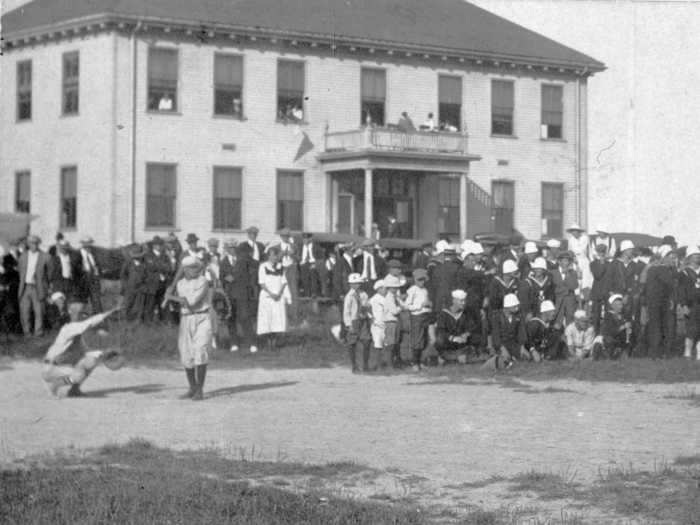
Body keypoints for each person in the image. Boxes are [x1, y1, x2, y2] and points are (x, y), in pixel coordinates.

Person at [41, 305, 121, 398]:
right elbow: (89, 323)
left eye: (82, 312)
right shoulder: (69, 328)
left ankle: (74, 390)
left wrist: (105, 353)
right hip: (51, 369)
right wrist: (110, 312)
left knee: (92, 361)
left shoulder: (77, 336)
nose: (81, 315)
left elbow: (88, 353)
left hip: (60, 367)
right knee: (79, 374)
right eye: (78, 312)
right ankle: (55, 385)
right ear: (70, 313)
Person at [166, 256, 212, 401]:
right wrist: (171, 293)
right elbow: (184, 303)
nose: (194, 270)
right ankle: (192, 387)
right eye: (190, 267)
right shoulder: (180, 283)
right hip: (186, 319)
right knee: (186, 354)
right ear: (184, 269)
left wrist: (171, 297)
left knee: (200, 351)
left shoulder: (203, 281)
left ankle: (200, 389)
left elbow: (190, 302)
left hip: (202, 318)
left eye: (195, 267)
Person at [220, 239, 257, 353]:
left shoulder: (243, 260)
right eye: (230, 248)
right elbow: (222, 277)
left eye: (234, 248)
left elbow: (255, 265)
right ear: (227, 249)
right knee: (231, 318)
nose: (232, 250)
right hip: (230, 294)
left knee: (245, 318)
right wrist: (228, 278)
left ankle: (251, 343)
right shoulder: (224, 261)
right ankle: (234, 343)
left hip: (242, 293)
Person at [643, 246, 678, 358]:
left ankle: (657, 352)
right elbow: (671, 285)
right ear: (664, 258)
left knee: (658, 326)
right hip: (658, 302)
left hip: (659, 301)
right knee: (660, 327)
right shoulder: (662, 269)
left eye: (675, 258)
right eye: (672, 258)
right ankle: (660, 352)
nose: (674, 260)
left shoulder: (655, 269)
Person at [256, 246, 290, 351]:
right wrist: (271, 294)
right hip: (267, 297)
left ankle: (274, 343)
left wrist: (279, 294)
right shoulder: (263, 266)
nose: (275, 258)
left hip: (278, 297)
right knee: (267, 319)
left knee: (277, 320)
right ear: (269, 256)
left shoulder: (281, 267)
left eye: (276, 255)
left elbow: (284, 282)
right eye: (273, 255)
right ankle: (268, 343)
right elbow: (262, 283)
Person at [434, 289, 481, 365]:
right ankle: (444, 356)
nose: (463, 303)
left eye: (464, 301)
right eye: (461, 301)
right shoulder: (444, 314)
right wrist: (453, 338)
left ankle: (455, 357)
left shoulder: (465, 314)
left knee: (475, 337)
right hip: (448, 342)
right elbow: (441, 331)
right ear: (454, 301)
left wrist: (465, 335)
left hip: (461, 343)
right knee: (440, 339)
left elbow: (471, 328)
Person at [18, 235, 51, 337]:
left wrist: (46, 286)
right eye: (31, 243)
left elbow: (49, 273)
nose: (34, 245)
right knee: (25, 311)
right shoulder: (23, 256)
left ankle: (38, 332)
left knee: (39, 311)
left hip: (38, 287)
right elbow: (20, 271)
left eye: (36, 243)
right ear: (28, 244)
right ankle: (27, 332)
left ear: (38, 244)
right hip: (25, 287)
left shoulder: (45, 256)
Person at [404, 268, 432, 370]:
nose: (422, 282)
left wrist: (429, 305)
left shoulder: (425, 290)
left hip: (425, 315)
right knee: (417, 339)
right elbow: (407, 305)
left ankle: (420, 361)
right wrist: (420, 306)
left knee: (424, 339)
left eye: (423, 279)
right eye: (419, 280)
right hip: (416, 315)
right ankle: (414, 362)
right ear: (414, 280)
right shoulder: (412, 290)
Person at [343, 273, 371, 373]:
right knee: (352, 342)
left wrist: (367, 308)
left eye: (358, 283)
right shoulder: (349, 296)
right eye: (353, 284)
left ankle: (365, 365)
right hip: (354, 320)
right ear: (350, 284)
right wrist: (348, 324)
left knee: (367, 341)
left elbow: (367, 305)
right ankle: (354, 365)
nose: (356, 286)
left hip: (363, 319)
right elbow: (346, 311)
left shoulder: (363, 294)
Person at [593, 294, 632, 360]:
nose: (621, 307)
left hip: (621, 339)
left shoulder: (622, 316)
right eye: (619, 305)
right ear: (613, 306)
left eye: (621, 305)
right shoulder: (608, 316)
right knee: (610, 341)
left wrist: (629, 330)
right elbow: (611, 331)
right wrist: (623, 327)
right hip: (610, 339)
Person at [491, 293, 527, 362]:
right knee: (504, 360)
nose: (517, 307)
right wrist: (502, 349)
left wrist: (522, 347)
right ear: (507, 307)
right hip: (501, 346)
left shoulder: (518, 316)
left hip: (514, 345)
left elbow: (521, 333)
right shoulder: (497, 317)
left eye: (517, 305)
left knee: (526, 357)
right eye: (514, 306)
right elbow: (496, 336)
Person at [679, 246, 700, 360]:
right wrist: (684, 304)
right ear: (690, 258)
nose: (697, 258)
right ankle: (687, 352)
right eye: (695, 256)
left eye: (698, 256)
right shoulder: (685, 272)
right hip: (691, 304)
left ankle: (699, 353)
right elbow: (681, 290)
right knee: (691, 329)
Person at [518, 257, 554, 322]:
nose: (537, 270)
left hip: (545, 311)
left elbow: (551, 296)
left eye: (539, 269)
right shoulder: (528, 282)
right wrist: (528, 312)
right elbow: (524, 300)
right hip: (532, 311)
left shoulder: (548, 280)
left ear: (544, 270)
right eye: (535, 269)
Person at [589, 243, 613, 332]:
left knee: (608, 315)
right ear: (597, 252)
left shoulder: (610, 264)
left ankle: (605, 334)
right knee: (596, 316)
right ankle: (595, 334)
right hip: (597, 292)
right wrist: (602, 263)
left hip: (607, 292)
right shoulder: (593, 264)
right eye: (600, 252)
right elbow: (598, 275)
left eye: (603, 252)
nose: (601, 254)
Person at [120, 245, 148, 322]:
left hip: (140, 287)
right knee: (128, 303)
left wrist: (144, 284)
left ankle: (137, 319)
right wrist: (125, 285)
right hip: (130, 287)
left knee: (139, 304)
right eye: (136, 256)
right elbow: (123, 275)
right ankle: (125, 318)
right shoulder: (128, 263)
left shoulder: (144, 264)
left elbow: (146, 275)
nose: (137, 257)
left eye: (139, 256)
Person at [551, 250, 579, 327]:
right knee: (557, 320)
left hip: (570, 299)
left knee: (570, 321)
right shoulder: (553, 272)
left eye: (568, 261)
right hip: (558, 299)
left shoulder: (572, 272)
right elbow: (553, 287)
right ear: (559, 262)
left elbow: (574, 286)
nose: (567, 263)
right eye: (565, 261)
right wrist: (564, 290)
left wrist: (567, 274)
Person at [382, 274, 403, 368]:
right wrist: (400, 308)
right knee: (390, 343)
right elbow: (394, 311)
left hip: (395, 321)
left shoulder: (394, 297)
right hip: (390, 321)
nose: (395, 289)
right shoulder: (389, 297)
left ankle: (394, 362)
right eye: (393, 287)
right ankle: (389, 364)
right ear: (389, 288)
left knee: (395, 342)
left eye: (396, 287)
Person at [566, 224, 592, 295]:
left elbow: (584, 250)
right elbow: (570, 250)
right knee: (576, 279)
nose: (573, 233)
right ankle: (577, 297)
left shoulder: (585, 238)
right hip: (575, 260)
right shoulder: (571, 239)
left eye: (575, 231)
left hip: (584, 260)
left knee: (586, 280)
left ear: (578, 231)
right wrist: (572, 259)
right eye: (572, 231)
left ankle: (586, 297)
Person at [79, 236, 102, 313]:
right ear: (83, 245)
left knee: (96, 300)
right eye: (86, 245)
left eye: (89, 245)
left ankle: (98, 316)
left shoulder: (92, 255)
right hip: (84, 280)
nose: (88, 247)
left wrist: (97, 274)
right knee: (83, 301)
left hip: (94, 280)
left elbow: (96, 266)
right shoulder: (78, 254)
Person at [369, 279, 388, 370]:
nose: (386, 290)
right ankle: (378, 365)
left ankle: (386, 362)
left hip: (385, 323)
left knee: (386, 344)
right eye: (384, 288)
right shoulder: (374, 299)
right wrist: (371, 317)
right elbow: (366, 308)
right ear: (379, 289)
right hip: (377, 324)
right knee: (378, 344)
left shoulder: (386, 298)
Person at [299, 233, 324, 298]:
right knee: (304, 278)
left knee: (313, 277)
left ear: (310, 239)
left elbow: (321, 257)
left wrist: (315, 263)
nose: (305, 240)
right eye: (304, 239)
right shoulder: (300, 246)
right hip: (303, 264)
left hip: (313, 263)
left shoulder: (316, 246)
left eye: (307, 239)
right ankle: (306, 293)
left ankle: (314, 293)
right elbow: (298, 256)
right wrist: (300, 261)